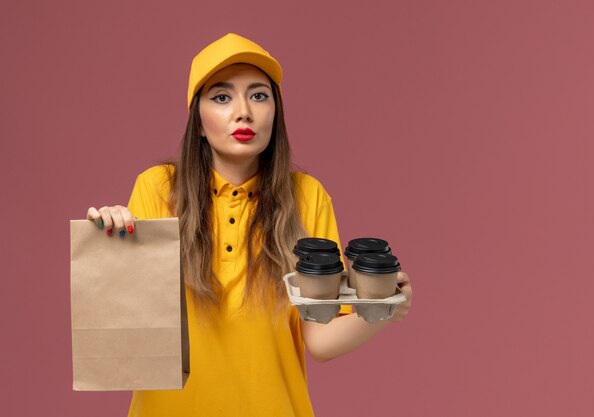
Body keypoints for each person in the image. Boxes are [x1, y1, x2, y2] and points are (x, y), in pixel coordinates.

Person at [86, 33, 412, 417]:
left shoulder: (308, 197)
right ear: (199, 122)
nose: (244, 112)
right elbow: (130, 326)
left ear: (276, 112)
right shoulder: (157, 188)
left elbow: (320, 341)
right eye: (222, 97)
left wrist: (384, 309)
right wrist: (111, 241)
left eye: (259, 95)